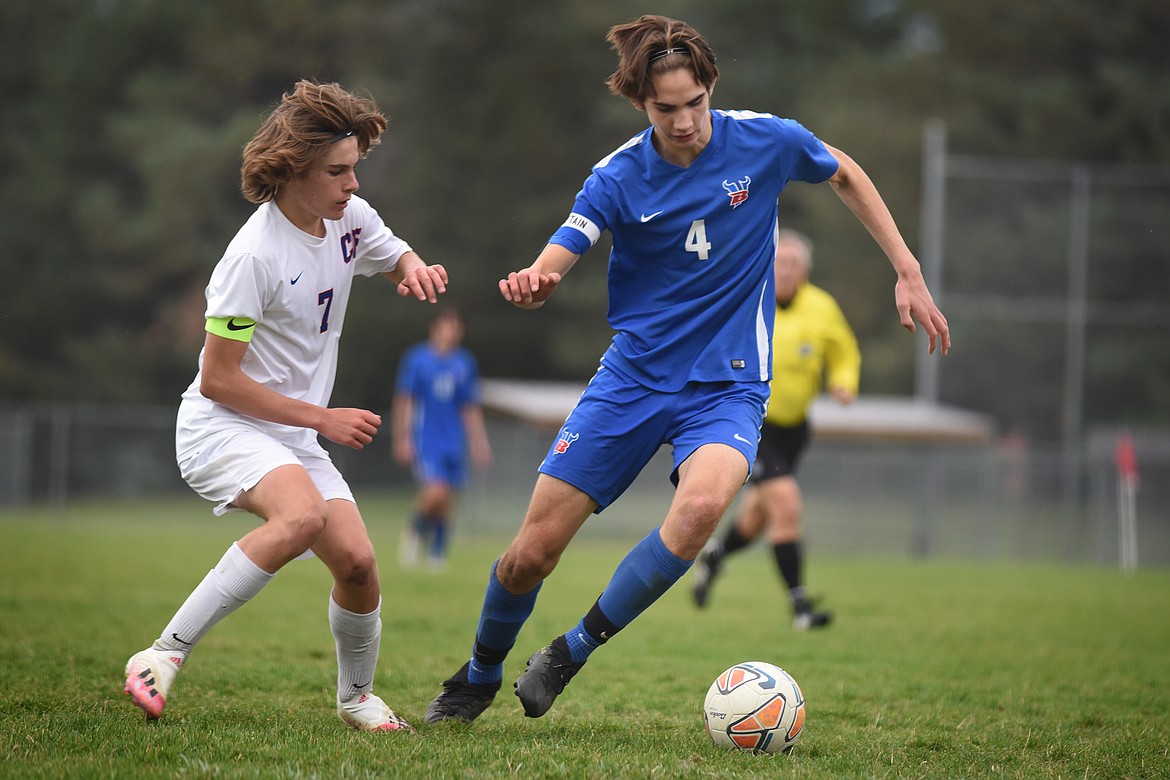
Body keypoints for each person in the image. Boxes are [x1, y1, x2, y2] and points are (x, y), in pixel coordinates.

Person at [425, 14, 949, 725]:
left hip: (730, 386)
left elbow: (845, 172)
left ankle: (570, 651)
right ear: (642, 105)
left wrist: (908, 269)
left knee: (701, 508)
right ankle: (479, 675)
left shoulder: (764, 139)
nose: (683, 121)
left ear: (711, 88)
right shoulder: (617, 175)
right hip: (632, 380)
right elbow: (569, 239)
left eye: (694, 103)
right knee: (529, 557)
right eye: (665, 109)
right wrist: (541, 278)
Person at [122, 80, 449, 733]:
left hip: (290, 437)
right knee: (300, 516)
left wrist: (412, 267)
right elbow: (218, 380)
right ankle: (162, 654)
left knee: (358, 564)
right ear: (296, 168)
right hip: (224, 426)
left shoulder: (348, 219)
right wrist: (323, 419)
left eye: (356, 167)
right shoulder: (254, 256)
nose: (353, 183)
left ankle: (356, 698)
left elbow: (390, 251)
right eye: (338, 171)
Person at [692, 229, 860, 630]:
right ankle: (800, 608)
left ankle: (715, 556)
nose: (783, 270)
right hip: (753, 423)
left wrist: (844, 382)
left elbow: (844, 351)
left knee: (756, 519)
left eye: (792, 264)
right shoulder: (750, 296)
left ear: (804, 271)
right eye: (778, 262)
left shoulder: (822, 307)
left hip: (795, 429)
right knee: (786, 503)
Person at [393, 307, 492, 569]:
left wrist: (478, 442)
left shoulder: (464, 362)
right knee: (435, 492)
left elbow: (469, 407)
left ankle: (437, 554)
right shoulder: (417, 359)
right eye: (447, 324)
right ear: (434, 328)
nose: (452, 330)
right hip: (427, 439)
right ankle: (413, 535)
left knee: (448, 499)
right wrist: (402, 438)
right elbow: (405, 400)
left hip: (453, 439)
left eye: (457, 325)